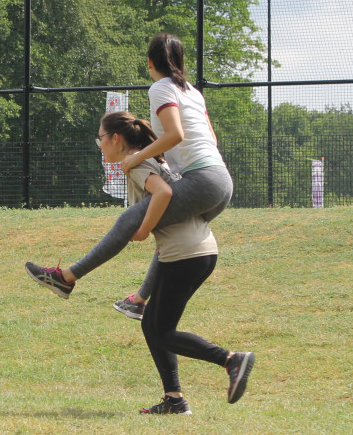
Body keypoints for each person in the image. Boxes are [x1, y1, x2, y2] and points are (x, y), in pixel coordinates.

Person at [32, 111, 255, 414]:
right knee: (154, 326)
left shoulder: (136, 163)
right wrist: (142, 294)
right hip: (195, 251)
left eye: (101, 138)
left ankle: (231, 360)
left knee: (161, 330)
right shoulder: (154, 160)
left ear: (116, 139)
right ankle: (174, 400)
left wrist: (145, 227)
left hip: (187, 254)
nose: (100, 145)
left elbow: (163, 192)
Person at [26, 33, 233, 318]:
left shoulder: (161, 88)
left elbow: (175, 135)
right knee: (168, 233)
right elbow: (212, 138)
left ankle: (66, 277)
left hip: (203, 180)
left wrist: (138, 156)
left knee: (130, 218)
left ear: (149, 61)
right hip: (222, 181)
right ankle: (139, 300)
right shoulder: (193, 92)